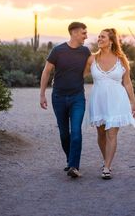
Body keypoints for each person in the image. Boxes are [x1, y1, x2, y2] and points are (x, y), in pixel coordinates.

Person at [84, 28, 135, 179]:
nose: (99, 39)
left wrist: (133, 103)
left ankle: (107, 167)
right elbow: (79, 76)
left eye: (103, 37)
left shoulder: (122, 60)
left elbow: (127, 83)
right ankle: (106, 159)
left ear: (111, 41)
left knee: (112, 133)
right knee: (101, 133)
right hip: (98, 101)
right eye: (99, 36)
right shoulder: (91, 59)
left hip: (117, 101)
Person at [40, 22, 91, 178]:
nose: (86, 36)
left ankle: (74, 166)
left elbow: (92, 67)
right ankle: (70, 160)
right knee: (64, 133)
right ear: (74, 33)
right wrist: (42, 94)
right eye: (84, 33)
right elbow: (46, 71)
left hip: (77, 98)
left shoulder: (85, 51)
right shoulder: (58, 50)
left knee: (76, 131)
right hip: (59, 97)